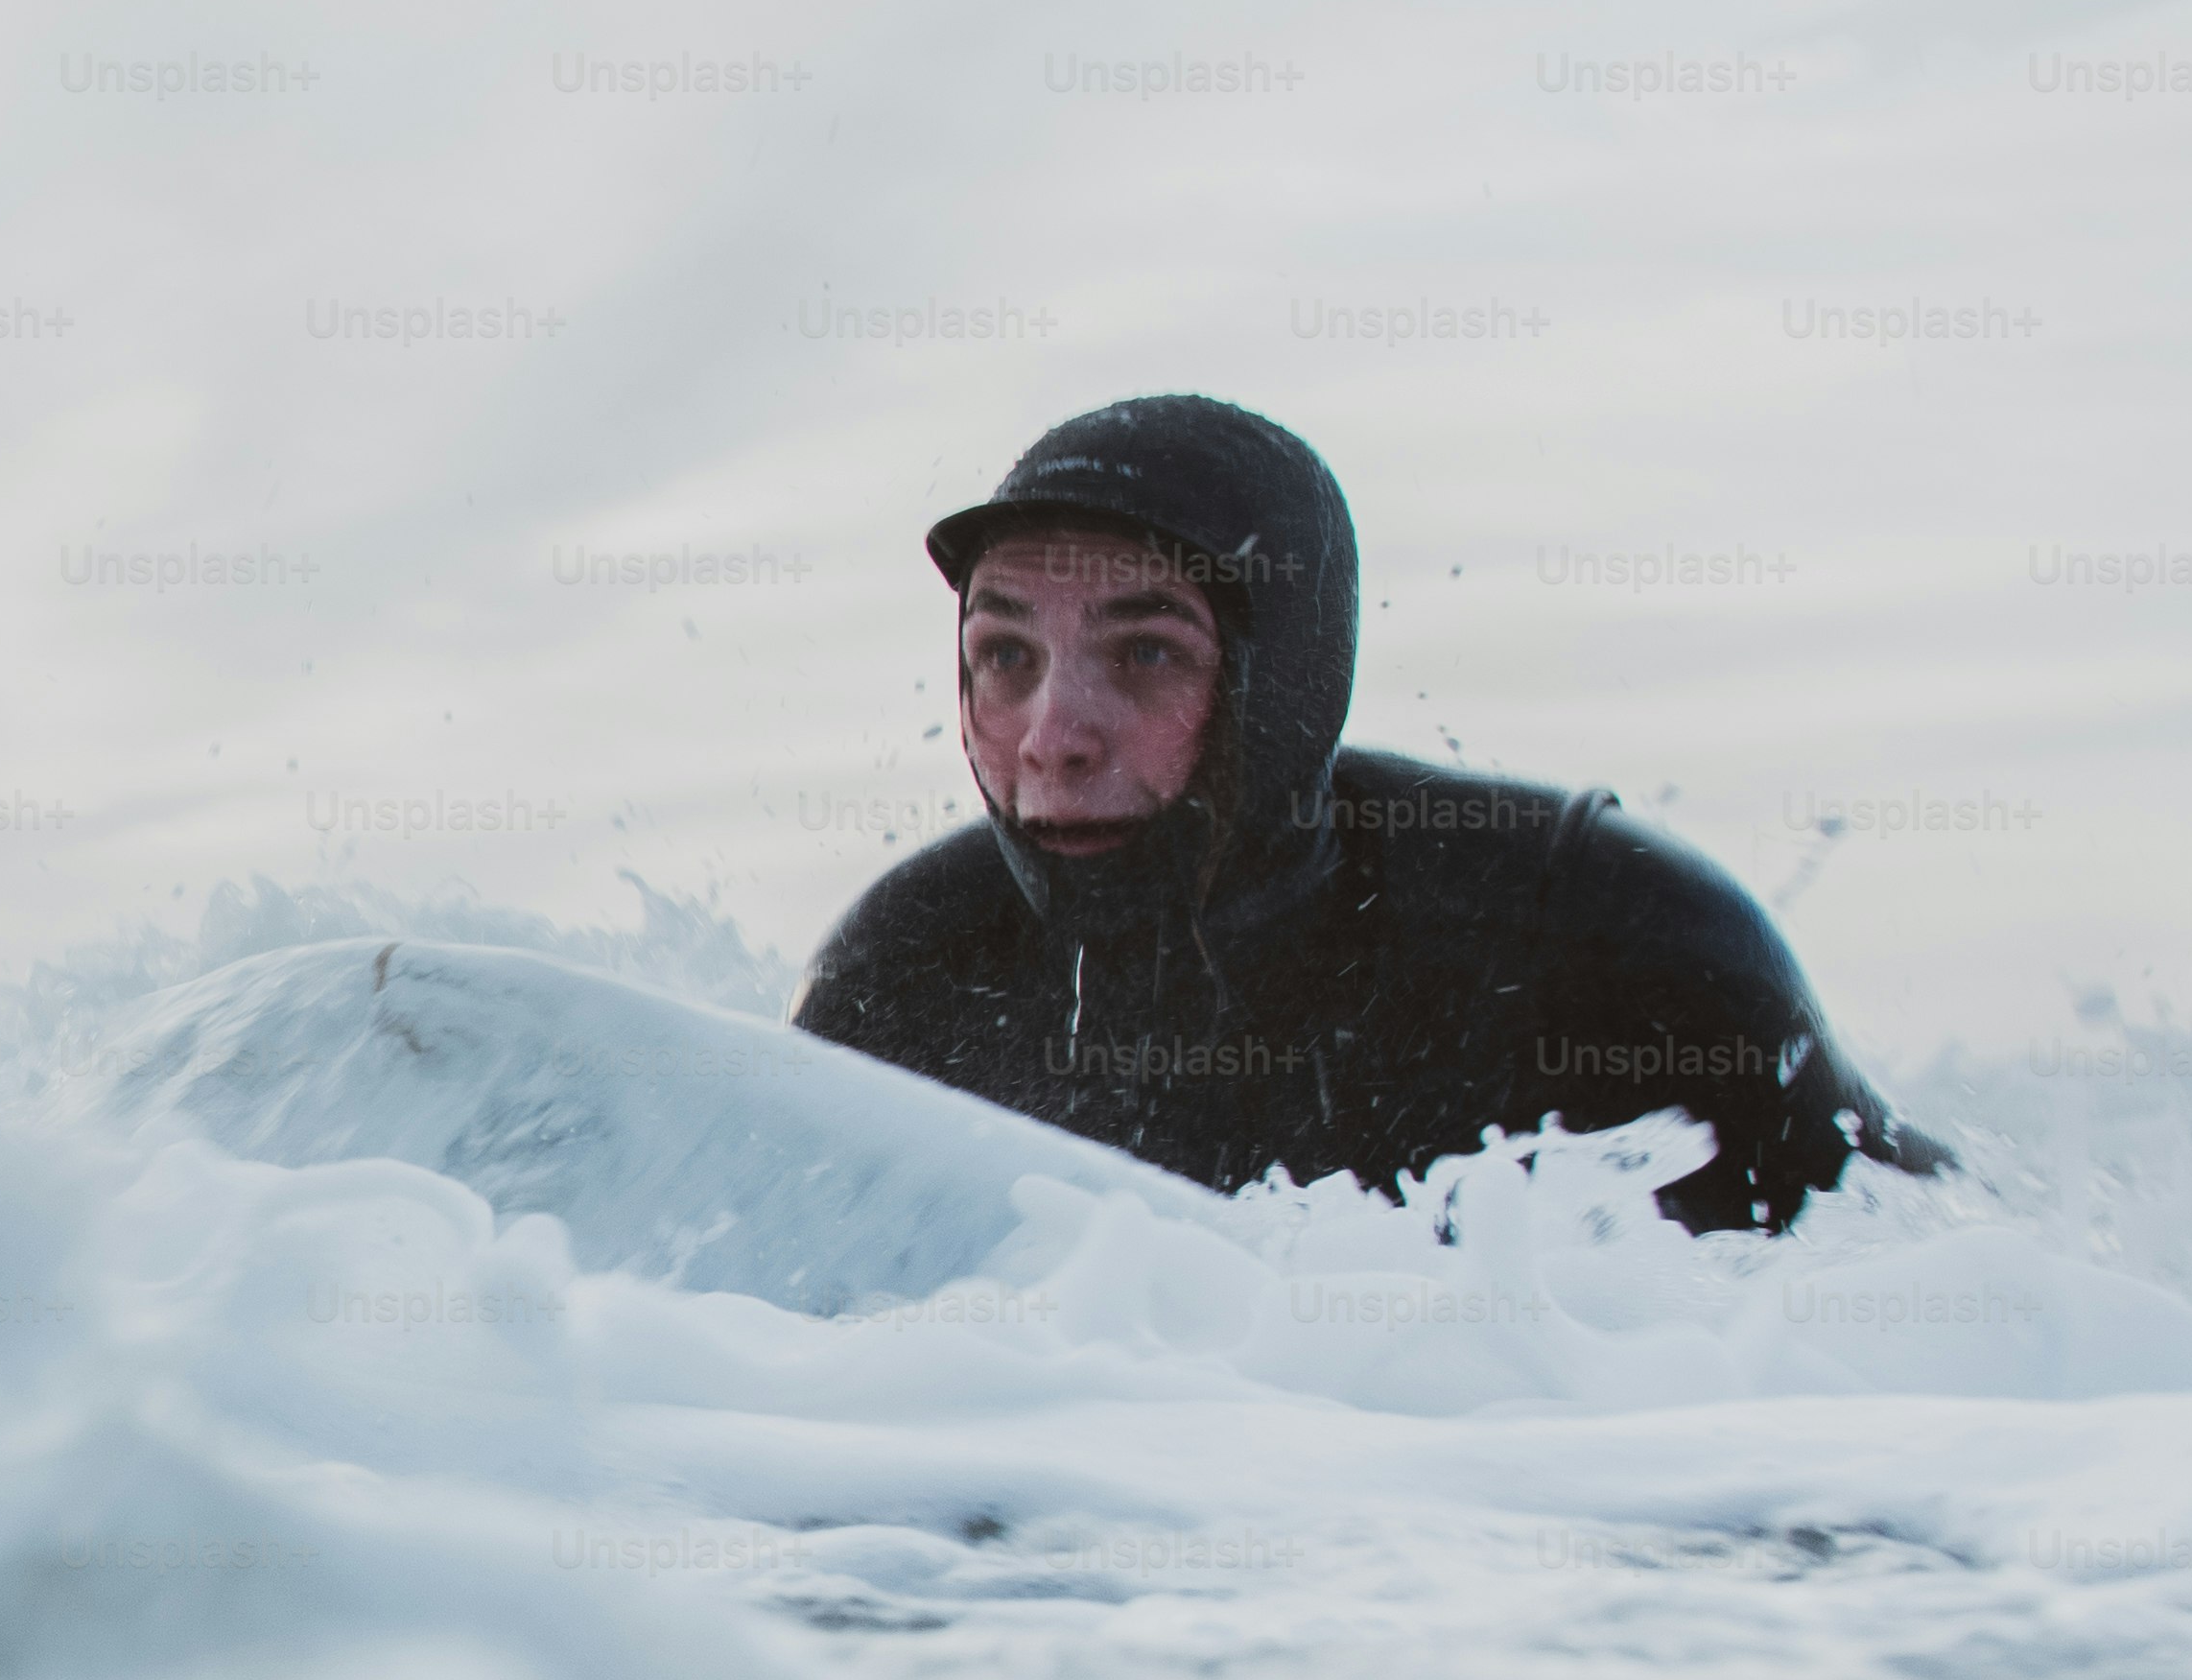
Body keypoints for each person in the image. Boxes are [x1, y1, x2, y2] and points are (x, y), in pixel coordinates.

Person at [790, 393, 1940, 1231]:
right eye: (1003, 655)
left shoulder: (1600, 937)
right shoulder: (909, 987)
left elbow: (1972, 1363)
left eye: (1147, 652)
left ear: (1284, 682)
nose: (1051, 735)